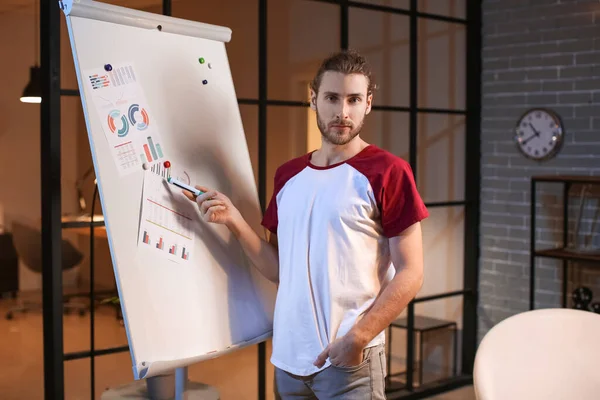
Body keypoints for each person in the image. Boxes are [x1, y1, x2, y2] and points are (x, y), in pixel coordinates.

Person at [184, 49, 429, 399]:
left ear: (368, 104)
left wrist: (358, 337)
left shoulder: (388, 171)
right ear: (313, 99)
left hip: (349, 361)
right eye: (331, 98)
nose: (342, 112)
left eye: (354, 99)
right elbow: (278, 268)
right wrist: (235, 221)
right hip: (288, 360)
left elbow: (411, 272)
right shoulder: (288, 175)